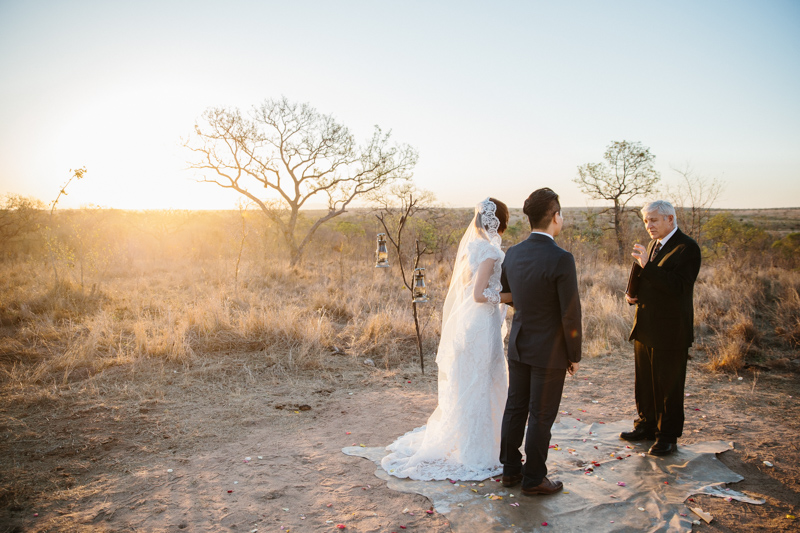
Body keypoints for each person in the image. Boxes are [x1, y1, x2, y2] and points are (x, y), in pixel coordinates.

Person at [381, 198, 513, 481]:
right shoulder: (489, 250)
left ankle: (472, 443)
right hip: (481, 326)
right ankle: (481, 451)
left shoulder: (472, 247)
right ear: (499, 222)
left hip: (469, 325)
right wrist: (509, 297)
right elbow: (479, 294)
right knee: (484, 382)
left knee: (473, 382)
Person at [499, 188, 582, 496]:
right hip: (549, 350)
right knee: (541, 414)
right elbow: (570, 314)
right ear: (555, 216)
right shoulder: (561, 259)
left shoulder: (514, 253)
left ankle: (509, 470)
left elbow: (509, 295)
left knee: (516, 407)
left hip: (519, 343)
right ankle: (533, 478)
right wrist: (573, 354)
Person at [621, 200, 702, 456]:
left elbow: (678, 287)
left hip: (671, 331)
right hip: (645, 326)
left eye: (654, 220)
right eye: (646, 220)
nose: (649, 225)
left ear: (670, 219)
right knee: (644, 382)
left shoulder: (687, 248)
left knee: (668, 386)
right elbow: (648, 280)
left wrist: (647, 266)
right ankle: (645, 425)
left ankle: (667, 436)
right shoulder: (654, 245)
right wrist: (631, 295)